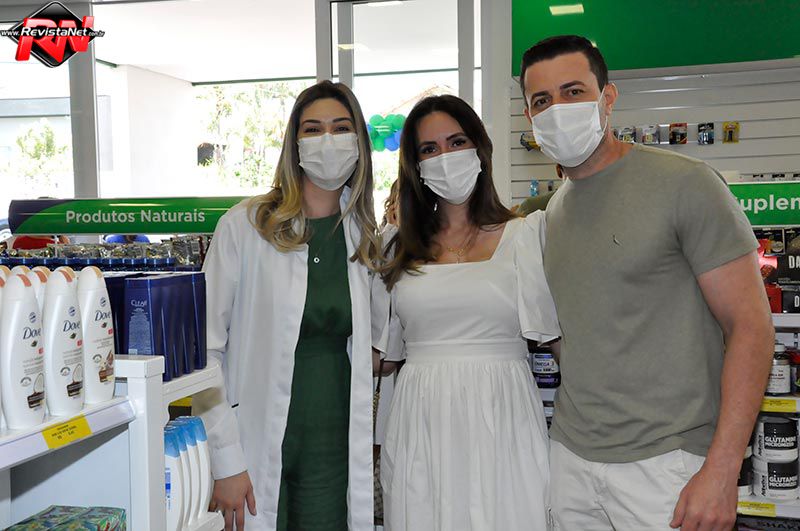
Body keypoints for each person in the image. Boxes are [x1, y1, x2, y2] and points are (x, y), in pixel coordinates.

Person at [520, 35, 774, 530]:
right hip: (571, 459)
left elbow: (751, 326)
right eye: (542, 100)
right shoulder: (551, 215)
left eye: (573, 92)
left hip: (668, 465)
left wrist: (723, 468)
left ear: (607, 97)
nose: (558, 109)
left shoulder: (686, 183)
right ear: (529, 116)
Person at [193, 80, 382, 531]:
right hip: (253, 444)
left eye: (341, 128)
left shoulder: (365, 237)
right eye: (313, 129)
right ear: (294, 145)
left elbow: (377, 348)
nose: (328, 140)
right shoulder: (245, 226)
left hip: (332, 447)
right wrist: (225, 458)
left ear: (359, 142)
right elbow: (204, 351)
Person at [372, 95, 560, 530]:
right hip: (421, 419)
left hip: (503, 415)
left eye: (456, 142)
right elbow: (382, 356)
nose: (445, 156)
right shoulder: (395, 246)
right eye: (429, 148)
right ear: (415, 165)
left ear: (479, 148)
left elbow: (555, 341)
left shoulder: (524, 236)